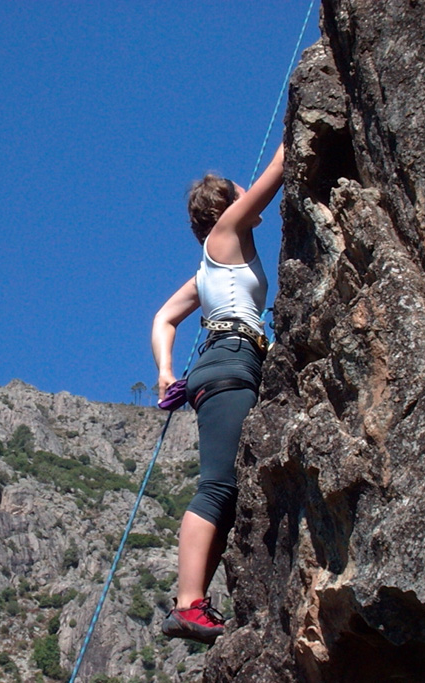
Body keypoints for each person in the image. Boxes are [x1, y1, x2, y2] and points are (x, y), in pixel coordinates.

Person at [151, 142, 284, 644]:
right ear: (228, 205)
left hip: (222, 363)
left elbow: (165, 317)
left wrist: (166, 369)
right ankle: (188, 605)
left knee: (227, 491)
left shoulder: (208, 270)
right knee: (217, 487)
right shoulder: (228, 233)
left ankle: (194, 601)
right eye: (238, 193)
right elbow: (278, 169)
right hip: (230, 360)